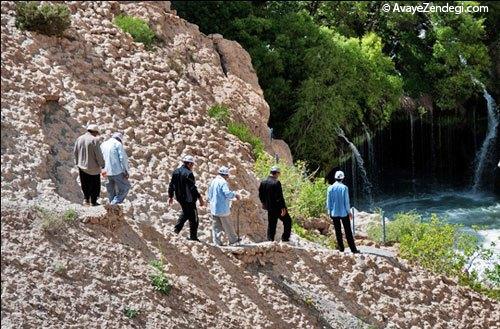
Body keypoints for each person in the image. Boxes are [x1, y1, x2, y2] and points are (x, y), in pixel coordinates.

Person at [168, 155, 204, 241]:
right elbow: (192, 188)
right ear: (190, 164)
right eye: (192, 164)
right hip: (189, 199)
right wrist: (200, 198)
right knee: (194, 217)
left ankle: (176, 230)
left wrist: (170, 196)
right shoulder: (189, 173)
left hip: (179, 198)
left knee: (186, 213)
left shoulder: (176, 172)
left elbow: (171, 185)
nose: (192, 166)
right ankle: (192, 237)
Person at [326, 171, 360, 254]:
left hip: (334, 213)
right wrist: (349, 212)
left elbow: (328, 201)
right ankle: (353, 249)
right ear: (342, 178)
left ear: (335, 178)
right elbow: (346, 202)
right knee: (348, 231)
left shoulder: (330, 188)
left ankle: (341, 249)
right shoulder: (344, 188)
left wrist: (329, 211)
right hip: (344, 212)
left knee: (338, 231)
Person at [207, 166, 241, 246]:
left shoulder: (213, 181)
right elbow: (227, 193)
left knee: (216, 226)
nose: (228, 177)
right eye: (227, 175)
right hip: (222, 208)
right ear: (225, 175)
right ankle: (233, 240)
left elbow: (209, 194)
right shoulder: (223, 182)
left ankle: (217, 242)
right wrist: (235, 195)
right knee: (228, 224)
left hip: (214, 207)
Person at [74, 124, 105, 206]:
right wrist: (102, 164)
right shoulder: (94, 140)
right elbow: (98, 155)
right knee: (95, 186)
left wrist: (78, 162)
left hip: (81, 167)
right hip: (93, 168)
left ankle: (86, 200)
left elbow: (75, 152)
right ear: (95, 132)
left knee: (85, 184)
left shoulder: (79, 139)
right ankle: (93, 202)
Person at [258, 166, 292, 242]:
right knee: (288, 221)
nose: (278, 175)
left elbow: (260, 195)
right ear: (276, 173)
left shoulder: (263, 182)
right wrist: (283, 208)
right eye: (278, 173)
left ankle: (270, 240)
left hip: (269, 207)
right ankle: (285, 238)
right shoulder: (276, 182)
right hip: (278, 208)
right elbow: (279, 197)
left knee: (271, 224)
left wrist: (264, 203)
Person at [100, 132, 131, 205]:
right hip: (116, 171)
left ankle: (111, 209)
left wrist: (102, 169)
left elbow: (99, 157)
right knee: (126, 187)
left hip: (105, 172)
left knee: (111, 190)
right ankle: (114, 203)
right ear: (120, 139)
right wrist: (126, 171)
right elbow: (122, 158)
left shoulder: (103, 144)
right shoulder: (117, 144)